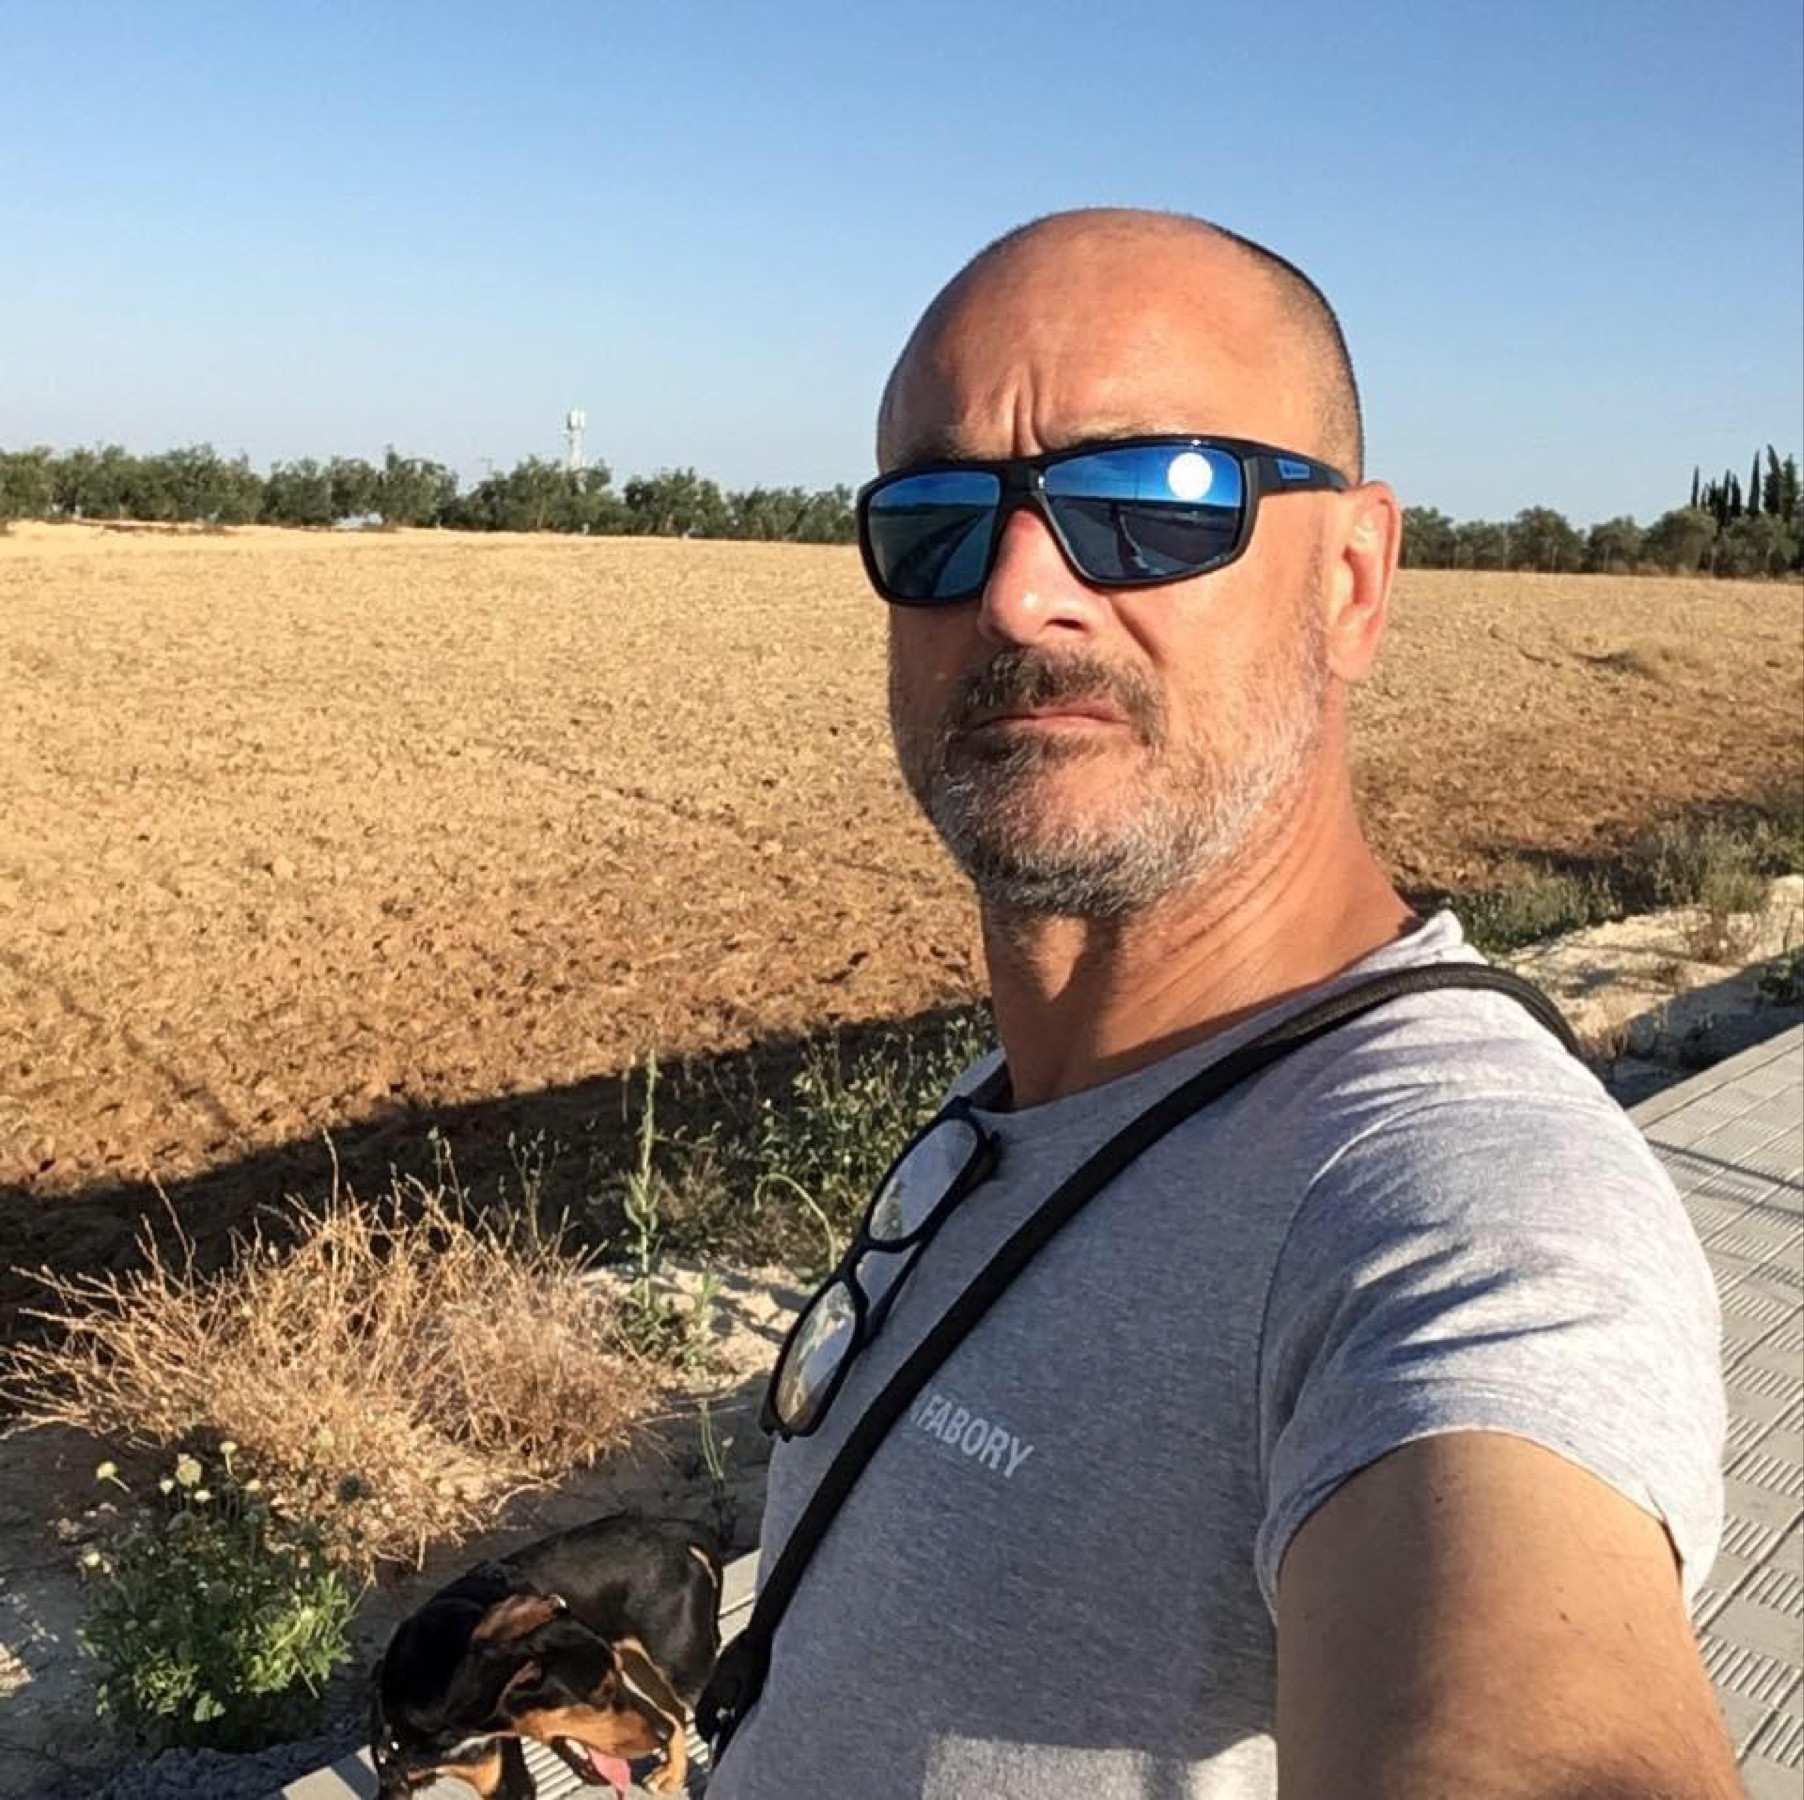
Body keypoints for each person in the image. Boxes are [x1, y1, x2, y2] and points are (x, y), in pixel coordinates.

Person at [706, 209, 1737, 1799]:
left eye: (1153, 502)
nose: (1017, 594)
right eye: (936, 521)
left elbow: (1536, 1711)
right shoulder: (1042, 1087)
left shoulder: (1454, 1200)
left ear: (1354, 579)